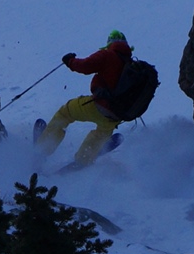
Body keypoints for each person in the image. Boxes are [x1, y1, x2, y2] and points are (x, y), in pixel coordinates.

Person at [36, 30, 133, 167]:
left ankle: (44, 146)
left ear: (110, 43)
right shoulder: (132, 65)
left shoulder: (107, 55)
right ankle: (84, 158)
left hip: (99, 106)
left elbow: (85, 66)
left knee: (65, 113)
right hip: (116, 115)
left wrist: (70, 61)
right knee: (101, 132)